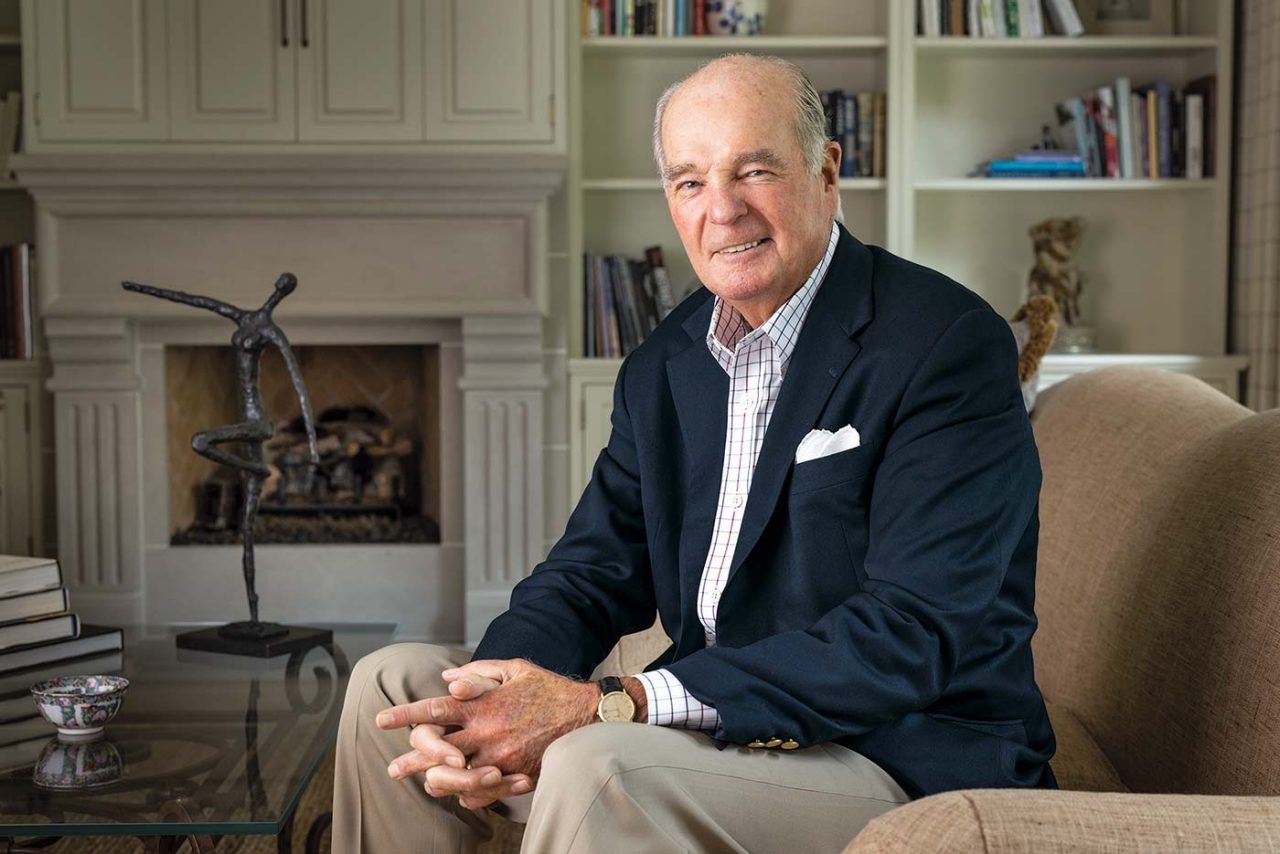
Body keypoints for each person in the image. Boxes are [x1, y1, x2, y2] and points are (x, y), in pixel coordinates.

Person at [333, 53, 1056, 853]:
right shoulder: (666, 361)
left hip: (894, 748)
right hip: (723, 728)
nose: (723, 211)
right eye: (689, 182)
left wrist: (619, 702)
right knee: (390, 695)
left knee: (601, 762)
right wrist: (492, 695)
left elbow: (907, 636)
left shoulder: (943, 343)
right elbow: (590, 572)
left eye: (754, 171)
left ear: (826, 172)